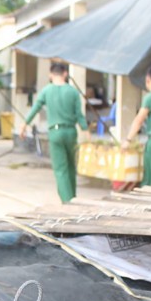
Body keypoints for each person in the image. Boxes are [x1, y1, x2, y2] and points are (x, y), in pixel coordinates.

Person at [18, 61, 89, 203]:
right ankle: (73, 198)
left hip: (55, 133)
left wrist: (24, 124)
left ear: (51, 75)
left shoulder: (46, 91)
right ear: (65, 74)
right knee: (70, 167)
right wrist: (86, 132)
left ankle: (67, 201)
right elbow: (79, 115)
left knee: (60, 169)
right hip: (70, 132)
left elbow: (35, 108)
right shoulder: (73, 92)